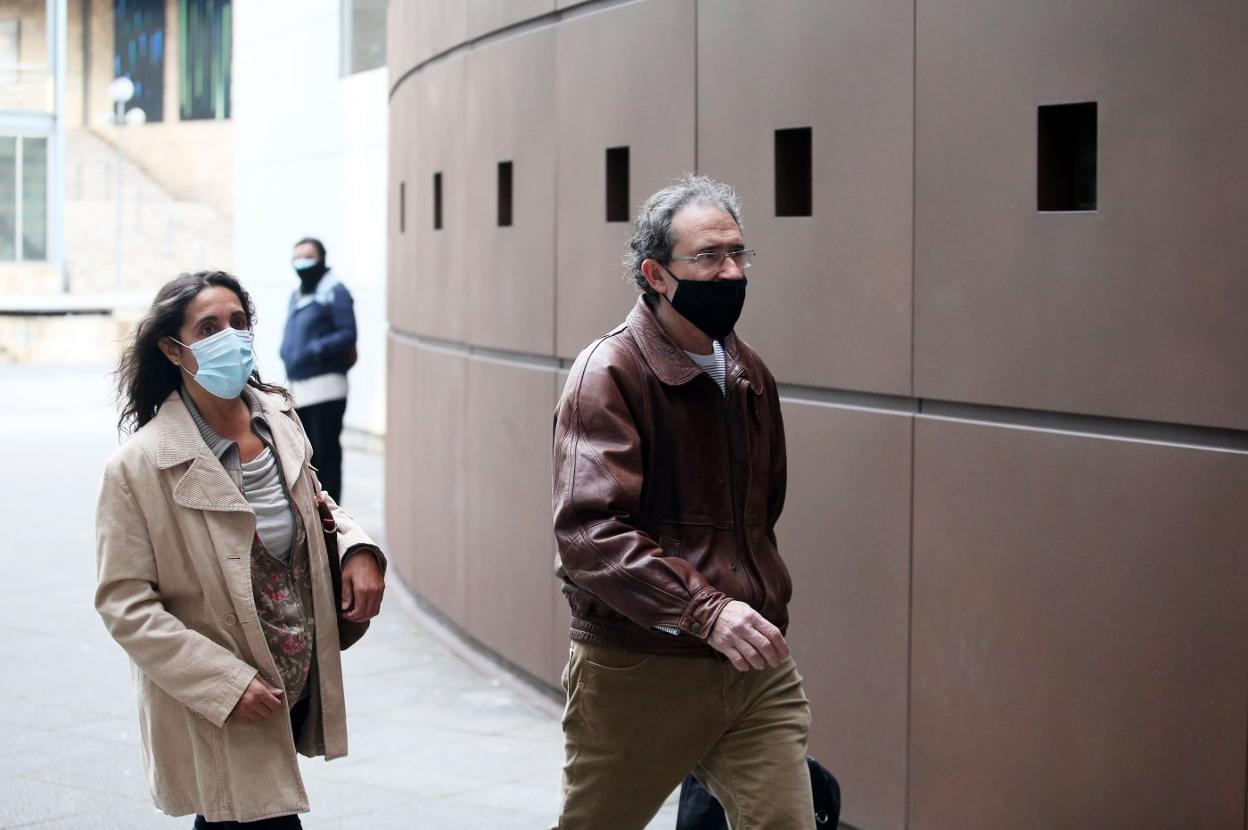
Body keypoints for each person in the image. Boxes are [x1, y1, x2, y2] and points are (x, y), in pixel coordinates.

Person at [551, 176, 812, 829]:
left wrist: (745, 610)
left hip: (753, 666)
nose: (731, 272)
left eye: (738, 253)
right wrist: (706, 610)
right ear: (656, 274)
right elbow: (589, 534)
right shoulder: (607, 373)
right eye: (708, 257)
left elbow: (760, 513)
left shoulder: (750, 374)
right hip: (639, 666)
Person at [96, 271, 386, 827]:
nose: (230, 336)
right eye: (208, 328)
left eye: (238, 322)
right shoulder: (137, 467)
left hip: (290, 673)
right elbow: (124, 605)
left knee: (240, 816)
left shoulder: (279, 418)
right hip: (226, 693)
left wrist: (357, 548)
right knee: (249, 815)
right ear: (172, 349)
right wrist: (224, 684)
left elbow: (317, 502)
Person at [280, 237, 356, 503]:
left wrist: (315, 349)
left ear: (322, 259)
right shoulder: (299, 293)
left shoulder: (335, 290)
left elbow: (348, 333)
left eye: (308, 257)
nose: (301, 263)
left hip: (326, 387)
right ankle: (315, 507)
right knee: (308, 455)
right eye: (296, 258)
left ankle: (333, 511)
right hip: (300, 387)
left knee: (326, 453)